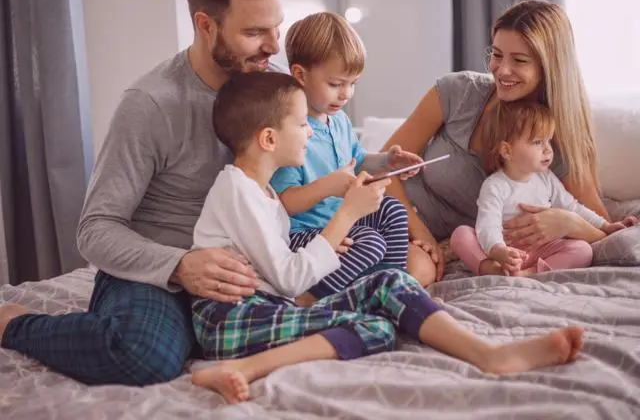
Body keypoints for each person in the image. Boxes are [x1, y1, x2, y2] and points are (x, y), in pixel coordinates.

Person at [189, 70, 585, 405]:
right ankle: (242, 367)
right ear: (269, 140)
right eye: (300, 123)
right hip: (231, 321)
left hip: (268, 304)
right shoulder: (238, 192)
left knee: (391, 284)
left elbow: (284, 273)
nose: (310, 131)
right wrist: (346, 215)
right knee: (376, 327)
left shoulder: (261, 192)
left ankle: (491, 355)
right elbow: (290, 280)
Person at [0, 0, 286, 386]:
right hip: (157, 270)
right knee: (145, 355)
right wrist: (181, 266)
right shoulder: (151, 104)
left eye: (276, 28)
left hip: (246, 266)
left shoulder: (272, 86)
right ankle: (14, 323)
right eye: (255, 32)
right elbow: (95, 229)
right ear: (205, 25)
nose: (273, 45)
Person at [382, 0, 618, 281]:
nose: (502, 70)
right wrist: (419, 232)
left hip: (446, 246)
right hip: (396, 216)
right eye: (496, 54)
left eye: (519, 60)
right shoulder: (458, 93)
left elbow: (607, 233)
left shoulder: (553, 143)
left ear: (550, 67)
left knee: (414, 277)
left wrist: (568, 222)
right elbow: (383, 167)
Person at [269, 12, 431, 302]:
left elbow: (357, 161)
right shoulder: (291, 130)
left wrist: (387, 162)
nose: (346, 94)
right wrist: (329, 186)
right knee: (370, 243)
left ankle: (394, 288)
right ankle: (310, 300)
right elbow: (284, 204)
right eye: (336, 84)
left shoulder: (340, 121)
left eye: (353, 83)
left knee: (393, 210)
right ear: (300, 74)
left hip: (342, 219)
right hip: (303, 233)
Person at [449, 100, 636, 277]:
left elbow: (573, 208)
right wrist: (499, 250)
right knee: (461, 235)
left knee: (582, 250)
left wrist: (605, 225)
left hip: (540, 250)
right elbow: (487, 224)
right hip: (504, 252)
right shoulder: (495, 186)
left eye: (549, 141)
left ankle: (528, 274)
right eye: (538, 142)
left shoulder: (546, 178)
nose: (548, 150)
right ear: (507, 151)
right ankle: (492, 269)